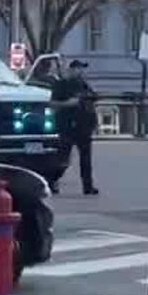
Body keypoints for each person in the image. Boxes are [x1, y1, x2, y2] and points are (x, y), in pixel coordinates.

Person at [49, 58, 99, 196]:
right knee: (63, 158)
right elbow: (52, 103)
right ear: (71, 69)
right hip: (67, 125)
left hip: (84, 125)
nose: (80, 71)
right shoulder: (61, 84)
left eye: (82, 68)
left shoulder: (83, 84)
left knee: (86, 159)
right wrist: (68, 103)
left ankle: (88, 186)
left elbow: (93, 98)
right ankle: (52, 180)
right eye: (78, 68)